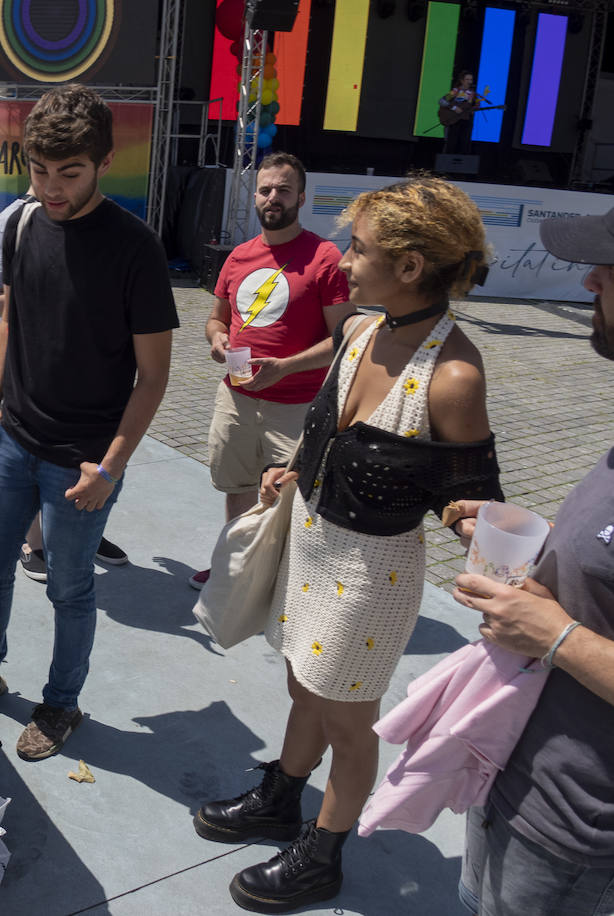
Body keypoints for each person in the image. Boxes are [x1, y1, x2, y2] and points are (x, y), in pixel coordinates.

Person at [192, 177, 502, 913]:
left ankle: (324, 853)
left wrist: (486, 548)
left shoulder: (453, 374)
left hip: (374, 571)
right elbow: (323, 423)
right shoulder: (362, 330)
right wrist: (294, 467)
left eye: (359, 249)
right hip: (311, 543)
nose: (345, 259)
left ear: (411, 266)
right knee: (303, 682)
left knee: (347, 718)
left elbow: (472, 490)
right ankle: (282, 797)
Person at [0, 84, 178, 761]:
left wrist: (110, 467)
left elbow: (155, 377)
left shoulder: (134, 248)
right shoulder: (26, 224)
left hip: (83, 460)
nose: (51, 188)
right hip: (13, 439)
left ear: (103, 163)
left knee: (69, 587)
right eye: (38, 170)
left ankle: (61, 704)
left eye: (69, 172)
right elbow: (12, 325)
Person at [448, 205, 614, 916]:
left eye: (609, 272)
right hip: (519, 776)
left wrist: (554, 635)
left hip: (580, 834)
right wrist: (536, 553)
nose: (587, 282)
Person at [188, 153, 353, 589]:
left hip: (297, 405)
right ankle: (234, 568)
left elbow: (345, 338)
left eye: (283, 189)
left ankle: (282, 582)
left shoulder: (324, 257)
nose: (272, 198)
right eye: (265, 190)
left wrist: (285, 367)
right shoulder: (239, 257)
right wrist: (217, 339)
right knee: (238, 486)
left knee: (292, 498)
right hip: (237, 397)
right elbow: (215, 319)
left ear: (300, 196)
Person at [0, 186, 129, 582]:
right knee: (27, 461)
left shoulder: (103, 226)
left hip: (79, 383)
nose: (59, 182)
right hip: (24, 372)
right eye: (47, 167)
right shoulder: (14, 221)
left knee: (72, 473)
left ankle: (81, 536)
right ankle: (35, 542)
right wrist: (45, 299)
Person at [440, 72, 489, 156]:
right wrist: (454, 108)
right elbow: (442, 101)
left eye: (471, 79)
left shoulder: (473, 94)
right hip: (454, 120)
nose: (469, 82)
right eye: (467, 79)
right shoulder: (455, 91)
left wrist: (474, 108)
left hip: (466, 121)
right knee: (452, 141)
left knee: (465, 142)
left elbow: (475, 106)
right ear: (462, 81)